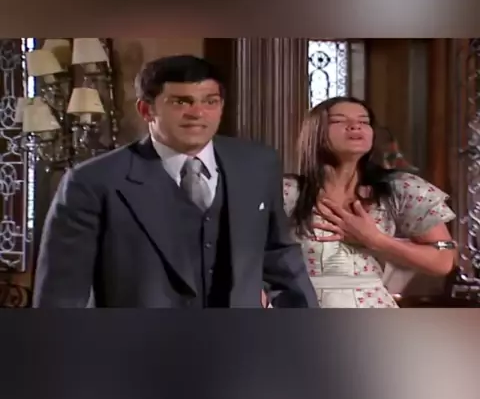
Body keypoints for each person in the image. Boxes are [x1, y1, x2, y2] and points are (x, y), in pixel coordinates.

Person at [32, 55, 318, 308]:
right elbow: (62, 293)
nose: (197, 113)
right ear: (146, 110)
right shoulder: (93, 181)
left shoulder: (257, 165)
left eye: (210, 102)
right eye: (181, 102)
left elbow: (280, 255)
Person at [282, 97, 457, 308]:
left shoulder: (397, 188)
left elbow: (443, 261)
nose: (355, 126)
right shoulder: (287, 192)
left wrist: (375, 240)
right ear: (314, 132)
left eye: (363, 121)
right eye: (339, 120)